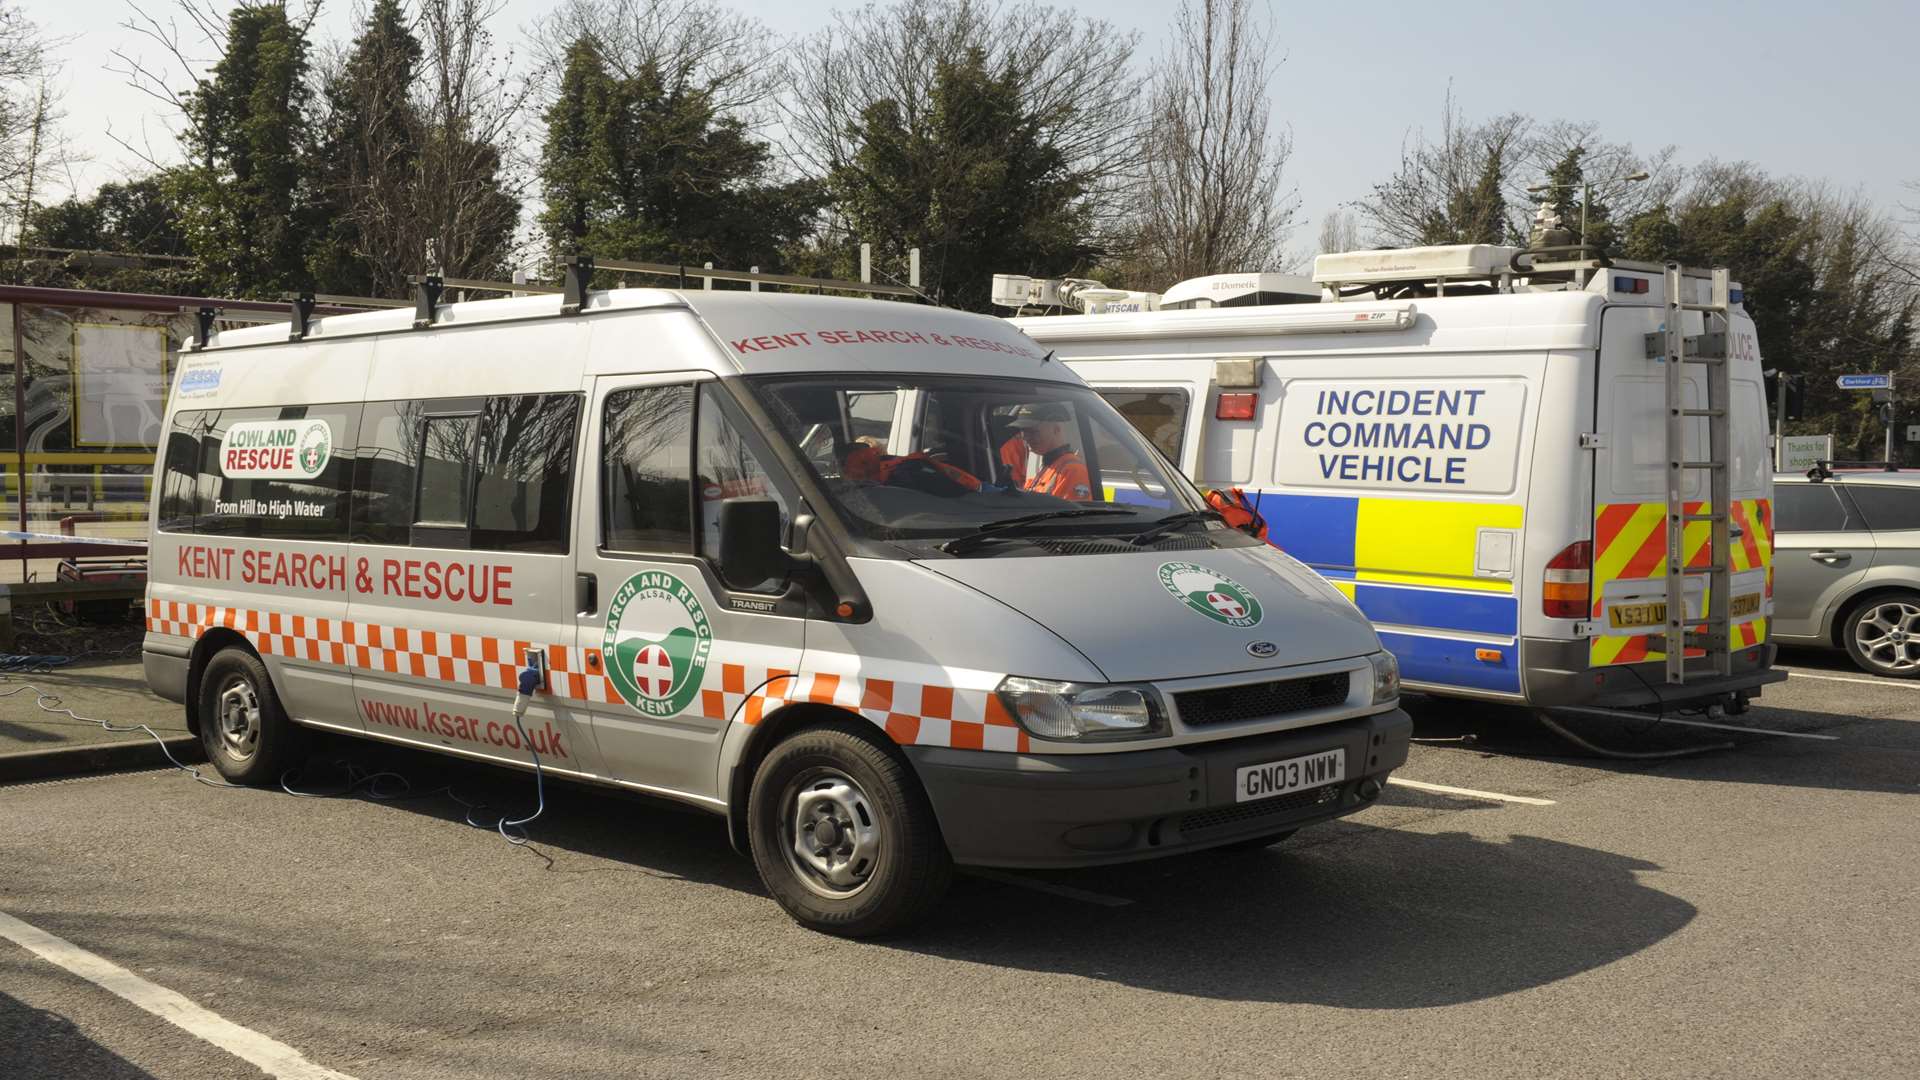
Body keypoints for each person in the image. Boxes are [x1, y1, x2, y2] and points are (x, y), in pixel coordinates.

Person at [1006, 403, 1093, 501]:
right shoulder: (1050, 466)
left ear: (1056, 429)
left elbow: (1073, 514)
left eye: (1033, 432)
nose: (1026, 438)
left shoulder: (1073, 470)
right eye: (1024, 432)